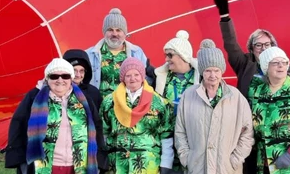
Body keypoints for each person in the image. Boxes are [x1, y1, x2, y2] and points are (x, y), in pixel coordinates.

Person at [212, 0, 290, 174]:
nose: (263, 48)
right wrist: (225, 16)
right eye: (258, 45)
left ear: (274, 46)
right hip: (249, 132)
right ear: (251, 49)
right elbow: (230, 44)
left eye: (267, 44)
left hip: (280, 134)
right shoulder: (244, 64)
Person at [5, 58, 105, 174]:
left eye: (65, 76)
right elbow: (18, 126)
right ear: (47, 78)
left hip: (78, 165)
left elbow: (96, 127)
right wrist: (19, 160)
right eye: (54, 76)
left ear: (71, 78)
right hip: (45, 165)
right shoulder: (34, 98)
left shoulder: (84, 100)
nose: (60, 80)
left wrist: (100, 159)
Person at [174, 39, 254, 174]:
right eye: (208, 70)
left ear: (221, 70)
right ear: (201, 72)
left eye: (216, 70)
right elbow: (180, 132)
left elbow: (247, 133)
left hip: (228, 169)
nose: (213, 75)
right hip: (197, 169)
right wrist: (187, 158)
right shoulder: (188, 96)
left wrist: (235, 159)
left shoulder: (236, 97)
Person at [101, 57, 174, 174]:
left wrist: (166, 164)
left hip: (147, 166)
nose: (133, 79)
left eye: (136, 74)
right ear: (123, 78)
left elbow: (166, 136)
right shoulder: (109, 102)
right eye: (128, 75)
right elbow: (104, 134)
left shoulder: (159, 102)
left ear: (142, 76)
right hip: (116, 166)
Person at [154, 30, 200, 173]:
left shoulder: (200, 79)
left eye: (170, 55)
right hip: (167, 142)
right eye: (166, 55)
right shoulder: (162, 78)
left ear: (183, 56)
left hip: (192, 143)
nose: (167, 59)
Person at [87, 8, 155, 96]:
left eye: (118, 30)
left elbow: (146, 80)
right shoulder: (90, 54)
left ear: (124, 33)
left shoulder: (137, 52)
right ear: (104, 32)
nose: (114, 34)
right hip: (99, 106)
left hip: (127, 106)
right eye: (110, 30)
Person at [64, 49, 104, 115]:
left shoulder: (93, 93)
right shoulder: (58, 91)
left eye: (81, 71)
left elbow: (98, 119)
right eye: (74, 70)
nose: (78, 75)